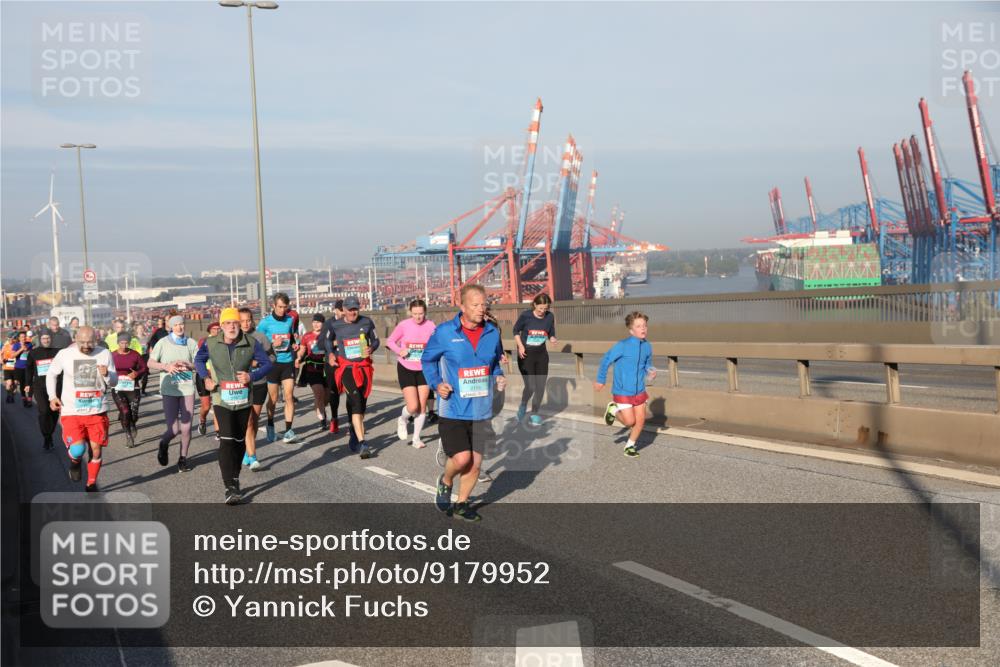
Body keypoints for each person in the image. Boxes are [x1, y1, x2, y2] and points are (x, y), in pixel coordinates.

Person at [422, 285, 506, 522]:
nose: (481, 309)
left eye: (484, 304)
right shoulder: (445, 332)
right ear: (463, 307)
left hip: (481, 408)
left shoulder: (492, 333)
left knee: (476, 464)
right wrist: (437, 384)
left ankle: (461, 504)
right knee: (462, 459)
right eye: (476, 305)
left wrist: (498, 375)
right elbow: (428, 360)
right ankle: (446, 481)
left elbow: (495, 362)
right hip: (453, 407)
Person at [195, 307, 272, 505]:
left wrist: (251, 376)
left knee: (239, 441)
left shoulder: (251, 343)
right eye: (228, 323)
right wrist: (205, 378)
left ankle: (235, 478)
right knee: (227, 440)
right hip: (222, 399)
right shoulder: (211, 343)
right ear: (221, 325)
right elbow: (199, 360)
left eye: (235, 323)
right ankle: (229, 486)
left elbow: (268, 364)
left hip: (243, 398)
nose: (232, 326)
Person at [45, 326, 118, 491]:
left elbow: (114, 382)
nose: (86, 346)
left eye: (90, 342)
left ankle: (91, 483)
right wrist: (52, 396)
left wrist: (107, 374)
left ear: (96, 340)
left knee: (96, 450)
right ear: (75, 339)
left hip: (97, 410)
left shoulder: (104, 353)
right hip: (72, 411)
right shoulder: (65, 354)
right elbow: (51, 374)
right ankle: (76, 462)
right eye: (82, 342)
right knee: (78, 449)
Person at [324, 295, 380, 458]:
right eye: (350, 309)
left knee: (361, 404)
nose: (353, 312)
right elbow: (327, 341)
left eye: (356, 309)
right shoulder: (335, 325)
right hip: (347, 368)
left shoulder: (367, 322)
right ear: (344, 310)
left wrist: (371, 349)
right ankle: (363, 443)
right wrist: (331, 354)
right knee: (355, 400)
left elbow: (375, 340)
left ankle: (354, 433)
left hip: (363, 368)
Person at [594, 311, 654, 458]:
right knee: (629, 422)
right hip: (622, 390)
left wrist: (650, 371)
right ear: (631, 330)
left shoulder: (647, 346)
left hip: (639, 389)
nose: (643, 329)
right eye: (639, 326)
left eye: (645, 325)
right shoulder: (622, 345)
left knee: (640, 421)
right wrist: (601, 380)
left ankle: (630, 446)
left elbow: (647, 364)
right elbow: (606, 360)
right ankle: (613, 410)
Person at [147, 315, 200, 472]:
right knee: (174, 429)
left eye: (181, 324)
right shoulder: (163, 343)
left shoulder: (191, 343)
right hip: (169, 390)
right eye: (175, 325)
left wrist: (189, 365)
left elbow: (199, 363)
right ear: (170, 327)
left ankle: (183, 458)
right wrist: (167, 366)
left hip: (187, 389)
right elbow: (150, 362)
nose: (179, 327)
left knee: (186, 427)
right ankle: (164, 443)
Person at [387, 299, 436, 448]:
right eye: (415, 314)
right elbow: (390, 341)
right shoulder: (404, 325)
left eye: (421, 313)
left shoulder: (431, 326)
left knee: (422, 406)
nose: (418, 317)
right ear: (410, 312)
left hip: (424, 368)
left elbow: (437, 343)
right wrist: (399, 351)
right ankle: (402, 420)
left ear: (425, 312)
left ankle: (416, 439)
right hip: (406, 367)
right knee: (413, 406)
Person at [257, 293, 299, 443]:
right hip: (272, 363)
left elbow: (292, 336)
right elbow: (257, 343)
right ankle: (270, 424)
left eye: (285, 307)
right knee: (273, 399)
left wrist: (294, 344)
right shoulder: (264, 323)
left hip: (287, 361)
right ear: (273, 306)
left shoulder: (290, 319)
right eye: (280, 307)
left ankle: (288, 430)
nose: (283, 310)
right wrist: (272, 344)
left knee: (289, 396)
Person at [513, 293, 557, 426]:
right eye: (540, 308)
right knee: (531, 386)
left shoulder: (550, 316)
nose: (543, 311)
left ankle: (535, 413)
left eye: (546, 308)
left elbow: (551, 331)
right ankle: (523, 405)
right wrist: (520, 347)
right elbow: (515, 331)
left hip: (541, 355)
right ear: (535, 305)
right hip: (526, 355)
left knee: (540, 386)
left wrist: (552, 338)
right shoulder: (526, 315)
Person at [238, 307, 274, 471]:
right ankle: (252, 456)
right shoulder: (234, 338)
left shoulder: (260, 337)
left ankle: (247, 452)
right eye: (242, 321)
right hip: (240, 385)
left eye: (248, 320)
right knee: (248, 421)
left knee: (253, 419)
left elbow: (272, 357)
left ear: (253, 320)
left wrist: (257, 363)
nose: (245, 324)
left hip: (259, 383)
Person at [24, 331, 61, 450]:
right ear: (40, 339)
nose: (46, 340)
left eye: (48, 338)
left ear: (51, 339)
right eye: (44, 338)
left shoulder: (58, 352)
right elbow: (28, 369)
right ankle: (46, 436)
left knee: (54, 412)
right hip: (39, 386)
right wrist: (28, 383)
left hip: (56, 387)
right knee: (44, 411)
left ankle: (49, 434)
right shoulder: (34, 353)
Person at [111, 332, 147, 448]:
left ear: (130, 342)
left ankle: (132, 423)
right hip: (118, 387)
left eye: (126, 342)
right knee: (125, 412)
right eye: (122, 343)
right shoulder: (112, 356)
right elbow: (105, 369)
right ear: (118, 343)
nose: (124, 345)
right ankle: (128, 435)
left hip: (132, 387)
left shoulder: (135, 355)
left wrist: (136, 373)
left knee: (134, 414)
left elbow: (144, 368)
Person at [296, 313, 329, 429]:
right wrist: (299, 357)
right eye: (314, 322)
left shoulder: (328, 335)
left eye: (318, 322)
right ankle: (323, 419)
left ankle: (320, 408)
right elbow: (302, 350)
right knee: (319, 393)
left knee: (326, 397)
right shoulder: (307, 336)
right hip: (312, 368)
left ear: (323, 324)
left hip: (326, 368)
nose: (316, 324)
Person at [319, 299, 345, 433]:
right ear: (335, 310)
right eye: (341, 310)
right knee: (334, 392)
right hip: (332, 362)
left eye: (345, 310)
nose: (343, 313)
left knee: (352, 392)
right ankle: (334, 418)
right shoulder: (329, 323)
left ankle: (354, 421)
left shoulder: (351, 322)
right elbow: (320, 344)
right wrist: (334, 343)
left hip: (348, 361)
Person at [196, 322, 221, 438]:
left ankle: (218, 432)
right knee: (206, 406)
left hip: (217, 376)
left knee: (217, 404)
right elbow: (199, 359)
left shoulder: (223, 340)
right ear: (210, 330)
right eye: (214, 329)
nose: (217, 331)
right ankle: (202, 420)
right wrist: (206, 372)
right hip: (203, 376)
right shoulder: (204, 341)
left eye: (218, 329)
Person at [144, 316, 169, 396]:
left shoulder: (175, 331)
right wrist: (154, 350)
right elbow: (152, 341)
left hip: (174, 354)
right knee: (165, 371)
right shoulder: (159, 331)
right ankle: (164, 389)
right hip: (163, 354)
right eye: (167, 320)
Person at [10, 331, 33, 407]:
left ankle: (29, 399)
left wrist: (28, 350)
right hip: (19, 367)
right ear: (19, 338)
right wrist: (21, 349)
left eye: (25, 336)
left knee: (30, 383)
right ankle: (24, 399)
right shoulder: (16, 345)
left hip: (28, 367)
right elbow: (12, 356)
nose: (24, 338)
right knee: (22, 384)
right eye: (22, 337)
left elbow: (32, 354)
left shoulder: (29, 344)